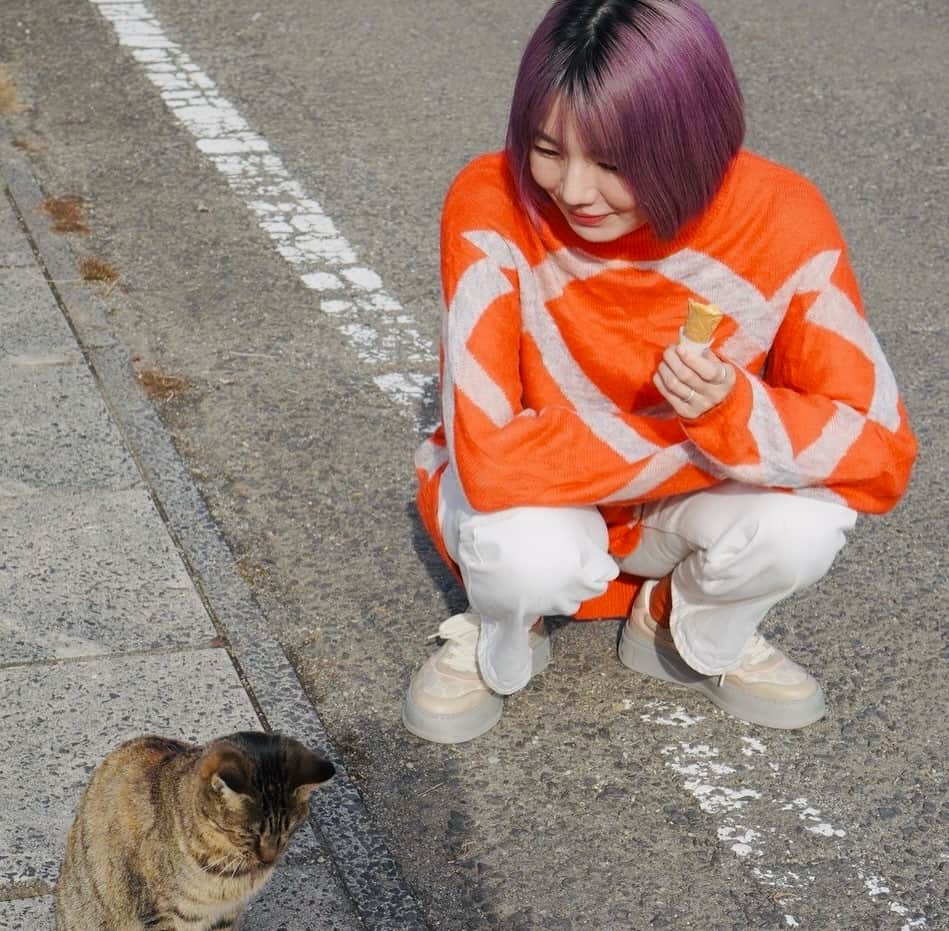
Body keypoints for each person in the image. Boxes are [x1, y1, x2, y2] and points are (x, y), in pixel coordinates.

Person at [403, 0, 917, 744]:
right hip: (551, 504)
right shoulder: (490, 200)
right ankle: (502, 630)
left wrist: (733, 409)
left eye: (612, 162)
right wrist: (711, 438)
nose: (574, 190)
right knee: (526, 554)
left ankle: (682, 619)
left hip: (599, 480)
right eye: (546, 149)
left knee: (805, 525)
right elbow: (488, 459)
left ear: (693, 138)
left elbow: (879, 451)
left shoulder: (783, 217)